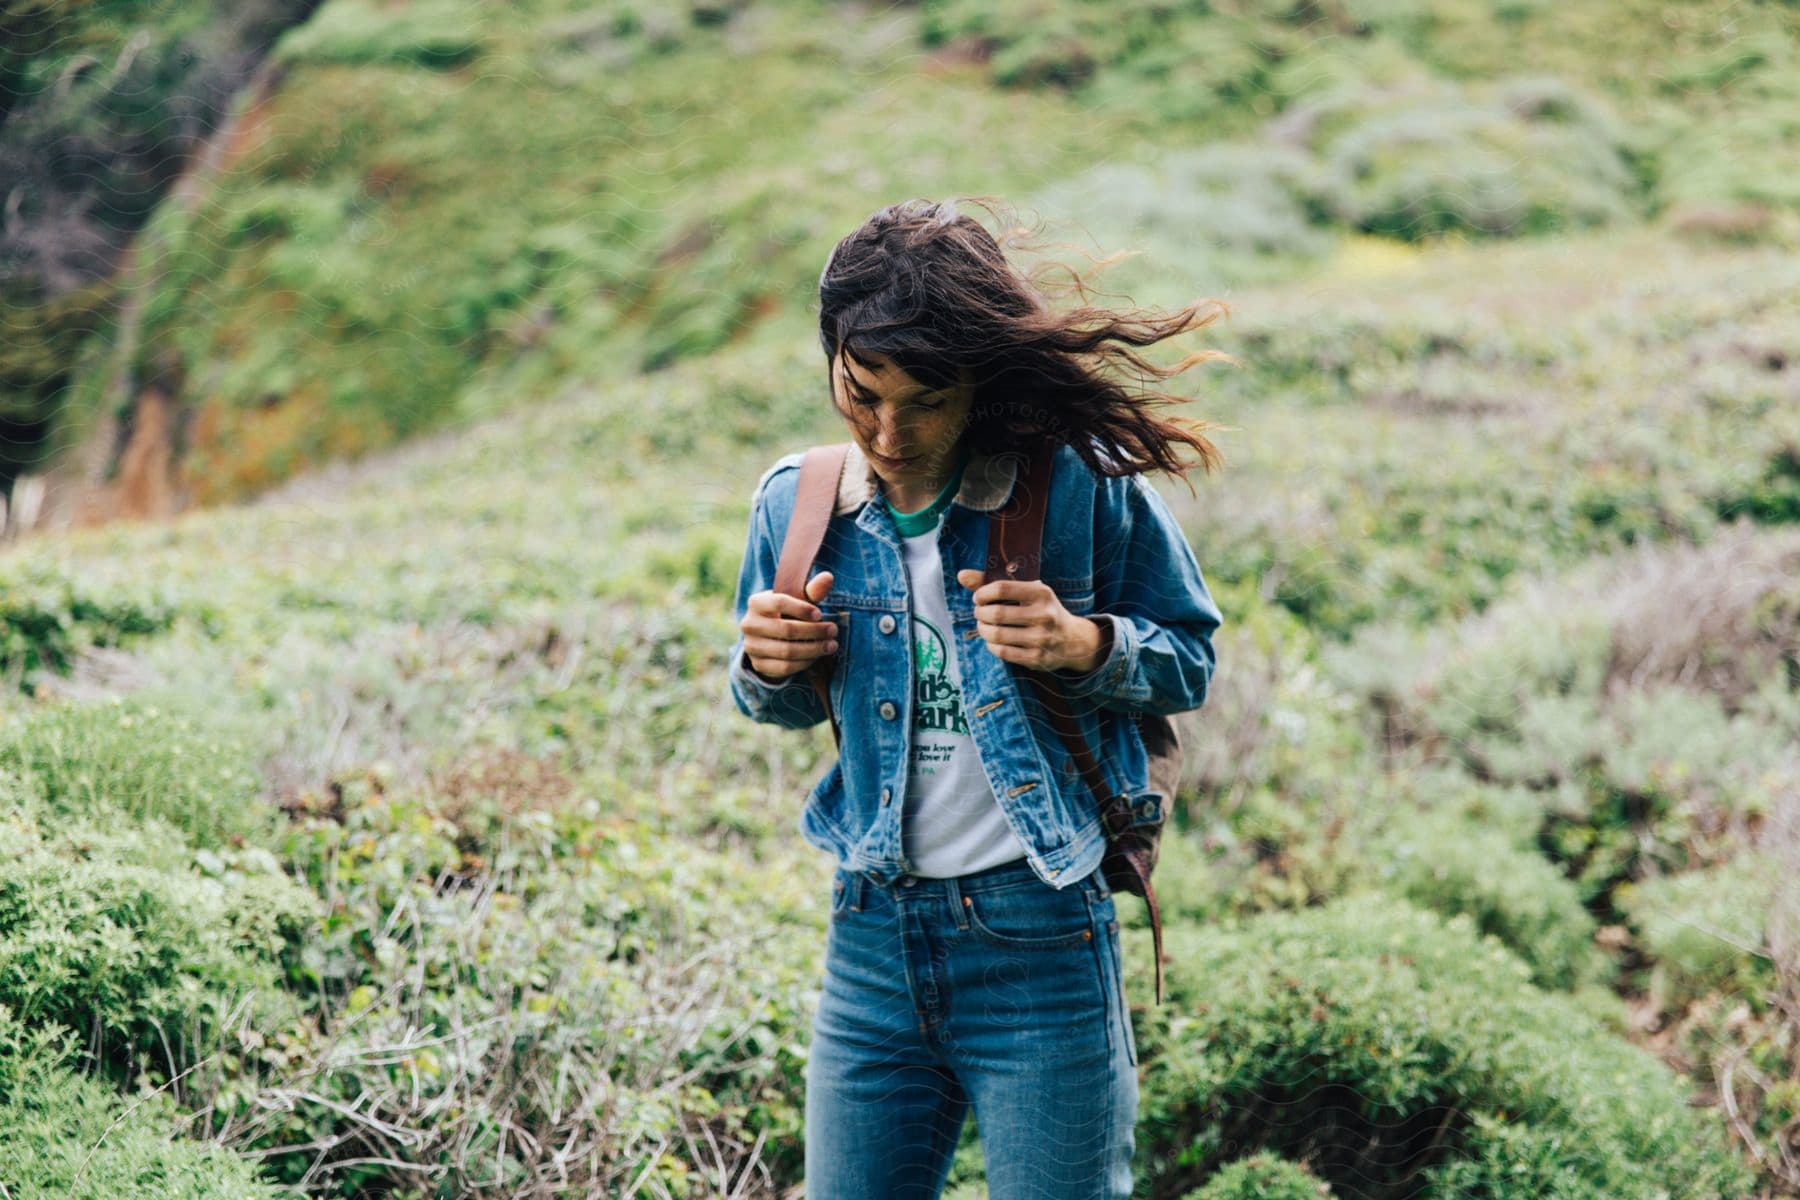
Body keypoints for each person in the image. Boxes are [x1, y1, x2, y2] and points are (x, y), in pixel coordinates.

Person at [728, 197, 1228, 1200]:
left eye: (927, 401)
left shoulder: (1079, 484)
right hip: (871, 940)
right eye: (860, 391)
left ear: (981, 388)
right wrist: (769, 670)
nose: (889, 431)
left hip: (1039, 940)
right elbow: (770, 702)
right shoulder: (799, 504)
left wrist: (1084, 644)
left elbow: (1190, 658)